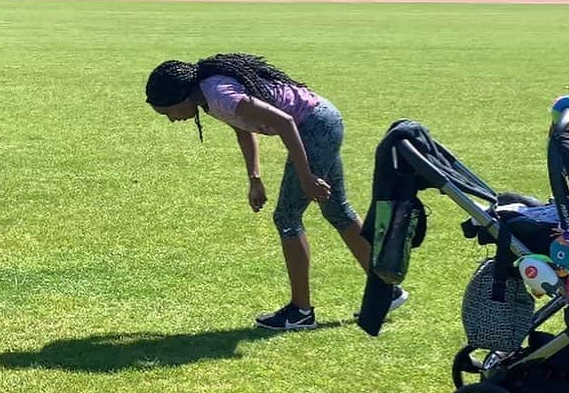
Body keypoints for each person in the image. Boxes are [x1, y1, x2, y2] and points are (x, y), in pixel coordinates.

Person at [144, 53, 407, 331]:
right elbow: (243, 128)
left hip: (314, 126)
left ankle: (301, 311)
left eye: (168, 112)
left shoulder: (218, 94)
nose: (172, 119)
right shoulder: (208, 97)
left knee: (287, 218)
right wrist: (255, 178)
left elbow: (285, 122)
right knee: (338, 211)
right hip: (323, 118)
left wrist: (306, 177)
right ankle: (386, 291)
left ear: (181, 96)